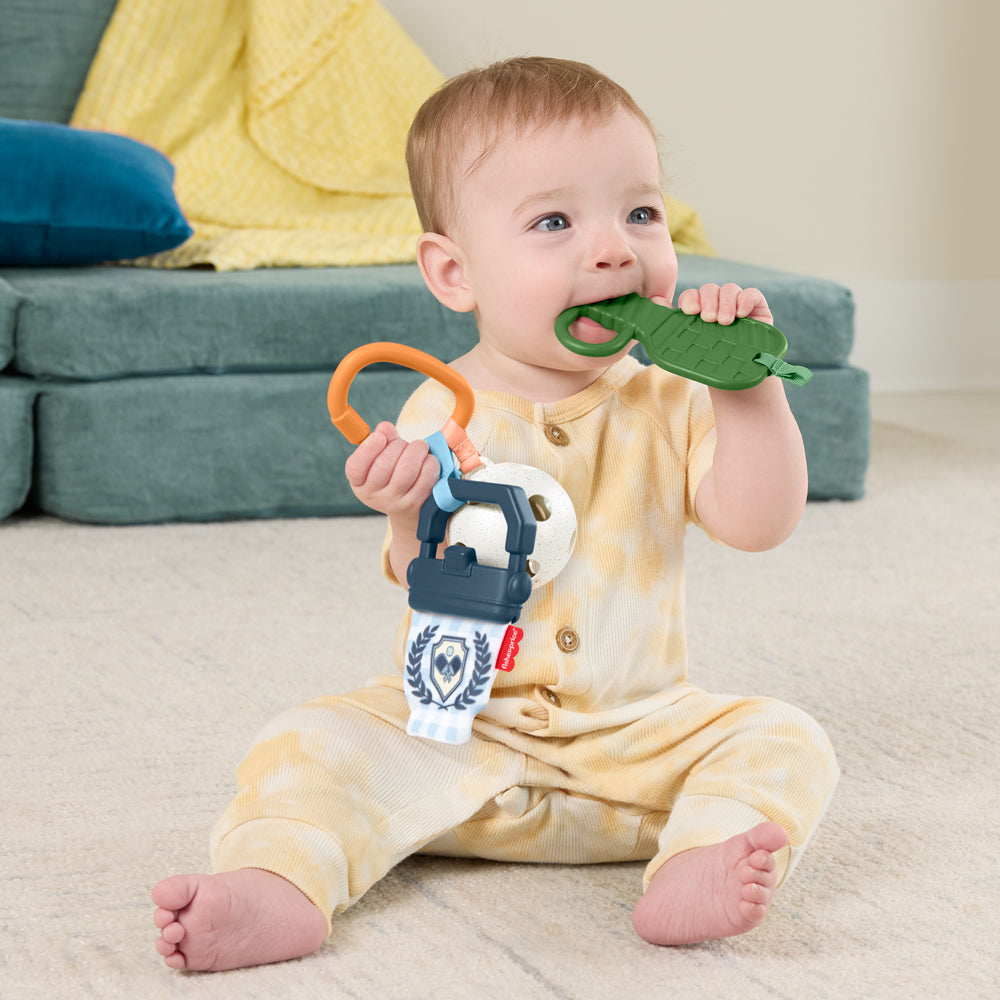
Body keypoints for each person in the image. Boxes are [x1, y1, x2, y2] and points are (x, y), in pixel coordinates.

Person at [153, 56, 839, 972]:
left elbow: (759, 522)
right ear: (454, 272)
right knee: (304, 742)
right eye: (554, 222)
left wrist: (744, 387)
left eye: (640, 212)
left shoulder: (671, 398)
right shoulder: (444, 411)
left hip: (638, 746)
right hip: (458, 742)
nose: (613, 249)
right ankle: (283, 882)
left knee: (785, 738)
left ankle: (697, 856)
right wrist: (404, 515)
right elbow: (422, 575)